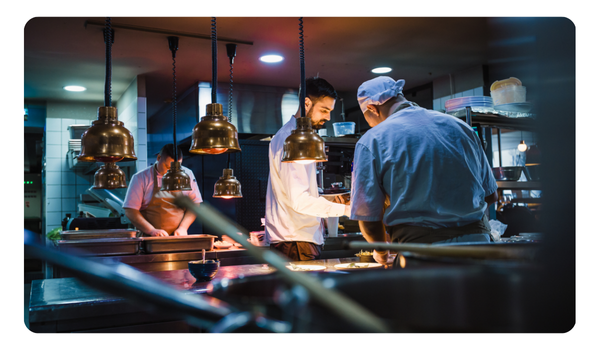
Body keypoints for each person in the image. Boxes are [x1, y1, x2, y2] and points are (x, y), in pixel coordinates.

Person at [350, 76, 498, 265]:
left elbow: (368, 219)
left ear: (372, 109)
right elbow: (491, 196)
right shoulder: (461, 127)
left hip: (422, 254)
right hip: (478, 249)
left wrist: (381, 250)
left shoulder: (372, 140)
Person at [265, 77, 351, 261]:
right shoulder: (292, 140)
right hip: (295, 243)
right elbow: (300, 201)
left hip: (294, 241)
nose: (328, 117)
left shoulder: (294, 137)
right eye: (324, 110)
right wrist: (348, 210)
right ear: (307, 103)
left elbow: (297, 195)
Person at [123, 144, 202, 237]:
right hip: (149, 239)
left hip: (178, 237)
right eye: (168, 167)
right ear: (158, 157)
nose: (172, 172)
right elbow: (130, 210)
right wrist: (152, 230)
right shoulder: (140, 177)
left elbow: (195, 204)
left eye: (177, 168)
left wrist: (183, 227)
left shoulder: (187, 174)